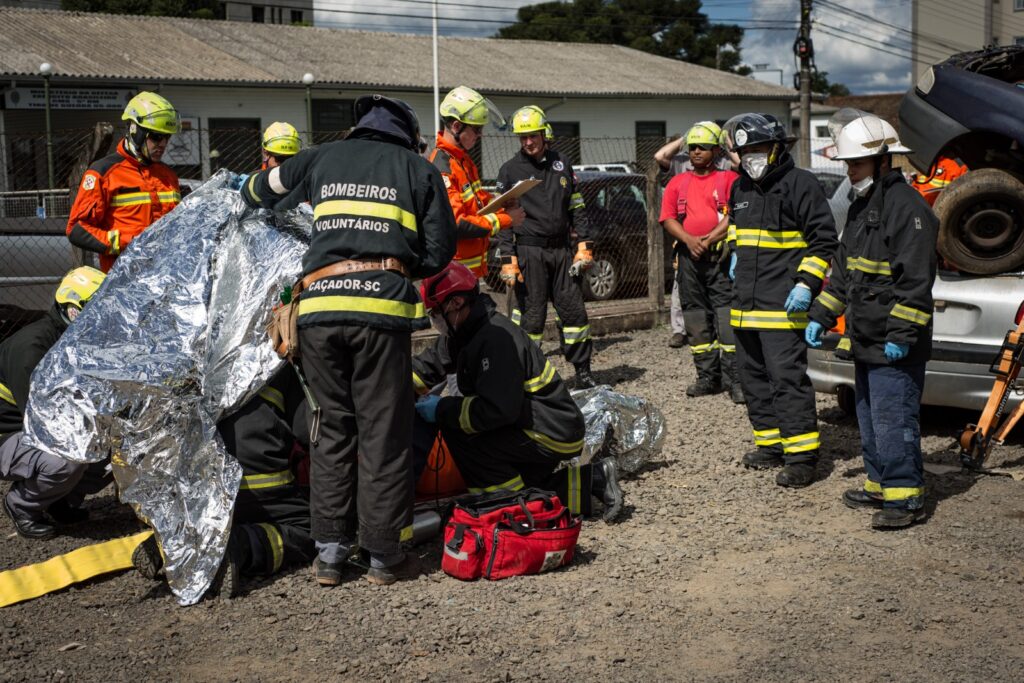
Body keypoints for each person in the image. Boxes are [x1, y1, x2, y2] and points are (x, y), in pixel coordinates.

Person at [238, 94, 456, 586]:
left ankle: (330, 555)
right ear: (406, 135)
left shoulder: (318, 157)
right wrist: (393, 268)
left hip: (318, 313)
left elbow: (258, 190)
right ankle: (383, 556)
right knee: (382, 431)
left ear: (360, 127)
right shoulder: (418, 171)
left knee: (331, 429)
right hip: (380, 315)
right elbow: (441, 250)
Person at [411, 263, 623, 521]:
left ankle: (505, 509)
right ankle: (595, 479)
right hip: (535, 424)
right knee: (527, 483)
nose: (433, 319)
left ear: (455, 303)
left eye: (435, 311)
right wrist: (389, 386)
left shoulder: (494, 340)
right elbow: (428, 365)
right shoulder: (465, 330)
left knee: (463, 435)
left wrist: (441, 409)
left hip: (550, 430)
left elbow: (496, 410)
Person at [806, 112, 937, 529]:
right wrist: (822, 314)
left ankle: (905, 499)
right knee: (868, 417)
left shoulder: (908, 209)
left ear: (884, 161)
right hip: (866, 338)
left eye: (856, 164)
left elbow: (915, 282)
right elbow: (845, 270)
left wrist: (900, 333)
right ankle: (880, 485)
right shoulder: (865, 207)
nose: (849, 172)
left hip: (893, 343)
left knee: (893, 419)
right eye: (846, 164)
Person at [723, 113, 838, 488]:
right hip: (744, 308)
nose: (750, 157)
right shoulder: (739, 188)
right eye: (744, 151)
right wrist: (732, 254)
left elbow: (823, 241)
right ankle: (770, 445)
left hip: (783, 306)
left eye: (756, 149)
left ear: (776, 148)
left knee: (787, 382)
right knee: (753, 380)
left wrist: (806, 284)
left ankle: (803, 457)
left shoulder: (800, 184)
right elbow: (737, 234)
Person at [132, 367, 315, 595]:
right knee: (311, 531)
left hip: (201, 493)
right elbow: (309, 432)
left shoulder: (193, 361)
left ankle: (178, 540)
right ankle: (236, 548)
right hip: (259, 488)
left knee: (210, 514)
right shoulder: (277, 365)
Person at [1, 267, 107, 539]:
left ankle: (60, 501)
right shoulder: (32, 349)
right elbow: (40, 422)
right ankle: (21, 506)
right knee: (67, 459)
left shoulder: (69, 340)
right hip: (10, 432)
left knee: (112, 447)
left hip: (34, 425)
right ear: (73, 307)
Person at [496, 105, 596, 388]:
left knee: (575, 314)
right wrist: (507, 258)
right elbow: (503, 218)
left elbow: (577, 206)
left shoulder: (562, 162)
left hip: (563, 252)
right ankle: (523, 376)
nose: (528, 142)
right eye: (522, 137)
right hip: (529, 253)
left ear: (543, 134)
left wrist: (584, 245)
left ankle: (584, 372)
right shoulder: (509, 170)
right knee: (531, 318)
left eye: (533, 136)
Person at [659, 121, 742, 403]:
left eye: (703, 148)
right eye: (692, 147)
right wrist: (690, 241)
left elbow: (735, 215)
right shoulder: (677, 182)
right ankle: (707, 377)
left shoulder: (729, 180)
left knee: (727, 318)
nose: (695, 152)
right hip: (688, 259)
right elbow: (668, 218)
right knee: (695, 319)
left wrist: (706, 241)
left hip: (720, 257)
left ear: (716, 150)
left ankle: (735, 381)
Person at [66, 92, 181, 273]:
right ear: (135, 131)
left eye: (168, 137)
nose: (163, 144)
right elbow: (77, 229)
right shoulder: (104, 173)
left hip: (165, 277)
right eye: (156, 137)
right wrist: (123, 242)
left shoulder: (168, 175)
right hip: (122, 280)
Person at [429, 86, 525, 276]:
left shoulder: (462, 160)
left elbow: (477, 201)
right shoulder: (443, 167)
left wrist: (500, 203)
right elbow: (457, 223)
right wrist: (505, 219)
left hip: (468, 272)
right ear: (456, 126)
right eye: (476, 129)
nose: (480, 134)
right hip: (453, 273)